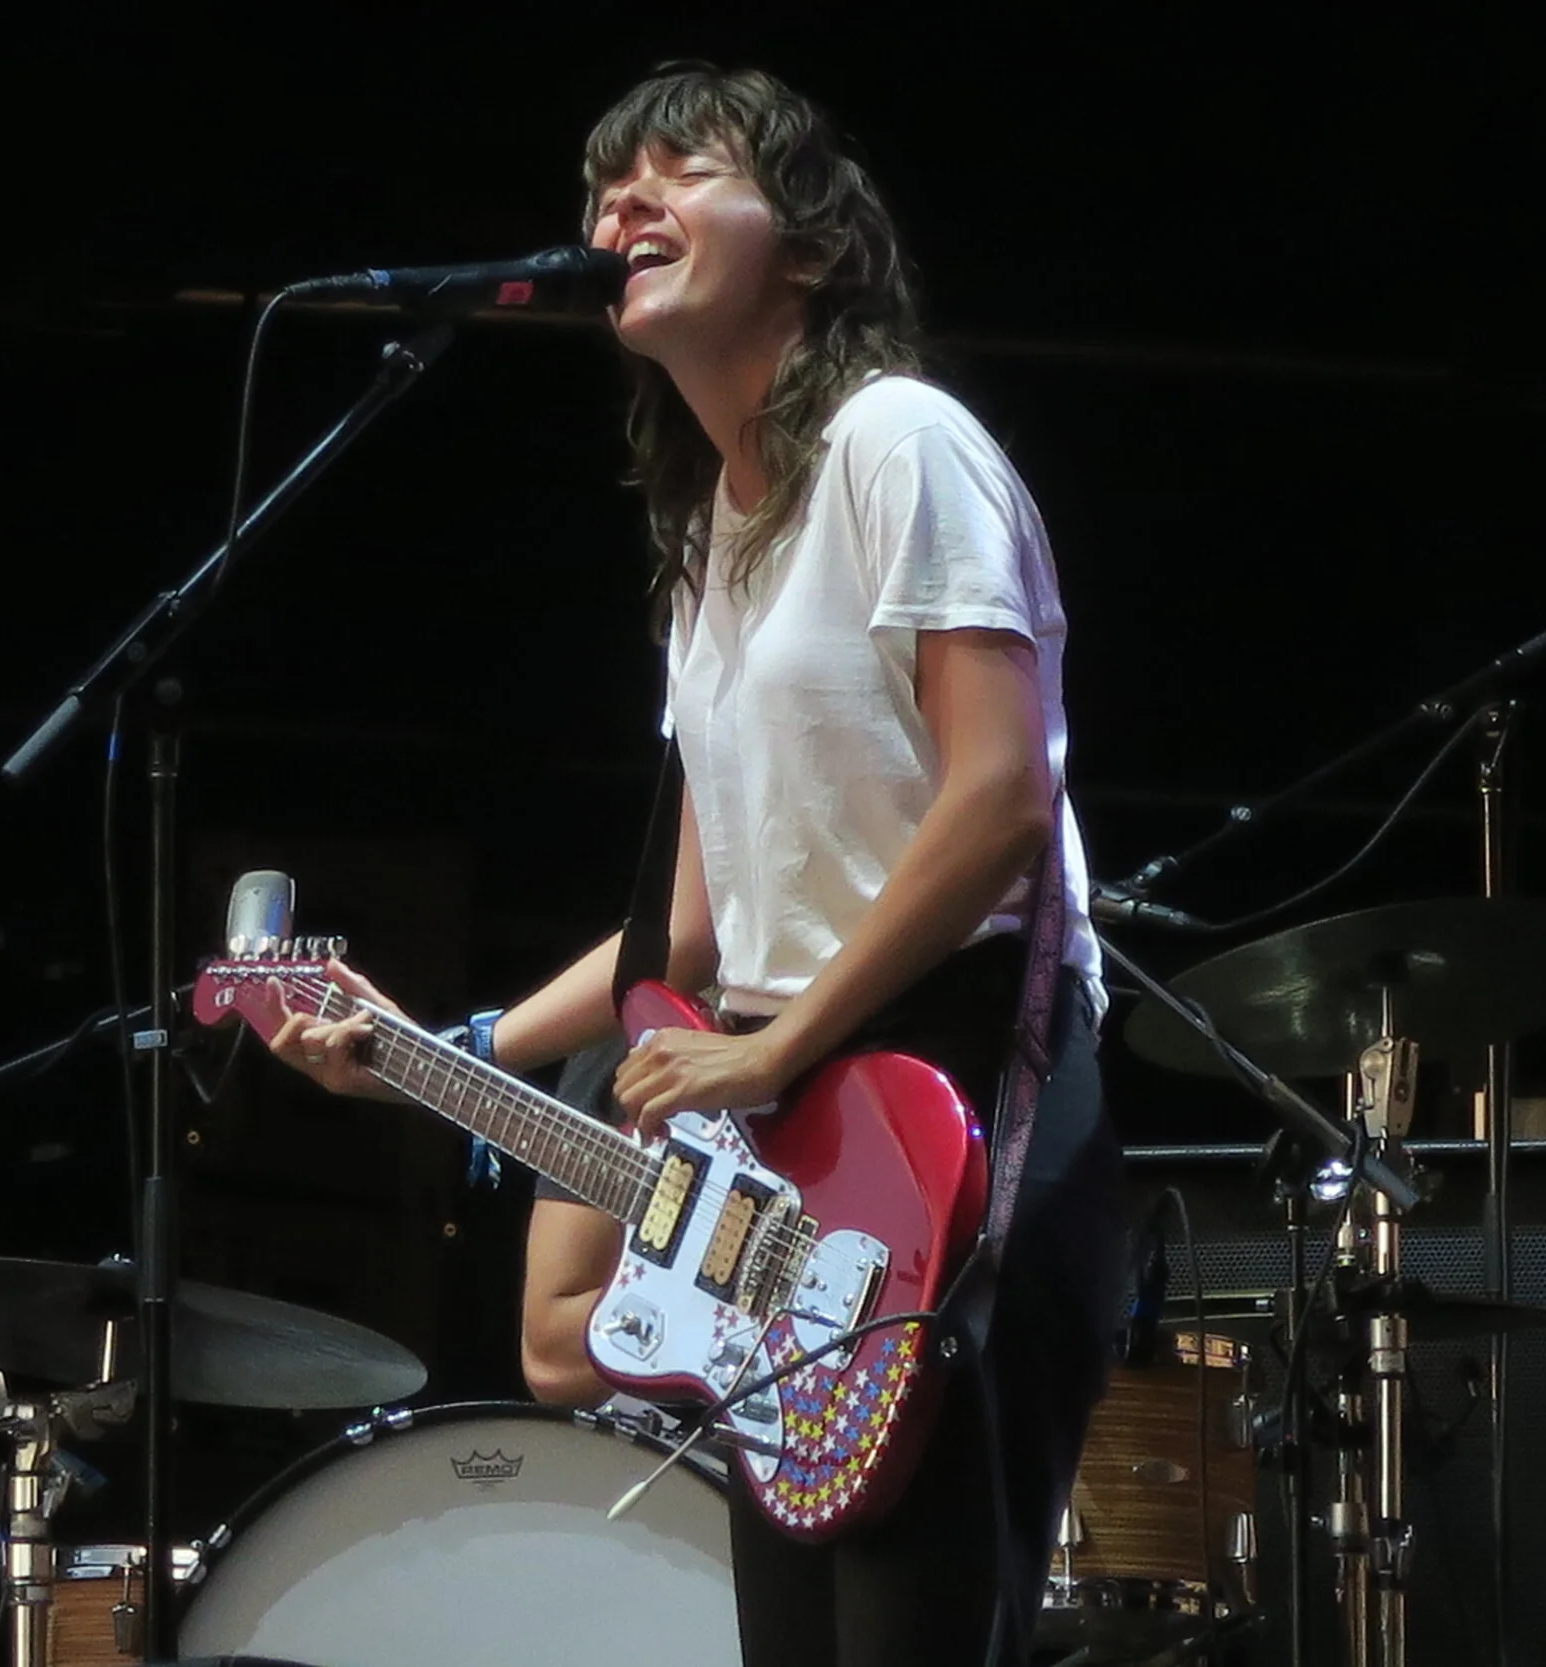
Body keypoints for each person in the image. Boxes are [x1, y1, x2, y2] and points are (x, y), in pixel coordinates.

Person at [267, 62, 1124, 1667]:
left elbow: (1002, 794)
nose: (621, 208)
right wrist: (437, 1057)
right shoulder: (708, 544)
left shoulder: (897, 440)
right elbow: (695, 913)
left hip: (954, 1075)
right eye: (603, 189)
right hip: (806, 1128)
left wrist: (781, 1039)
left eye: (681, 169)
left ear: (807, 246)